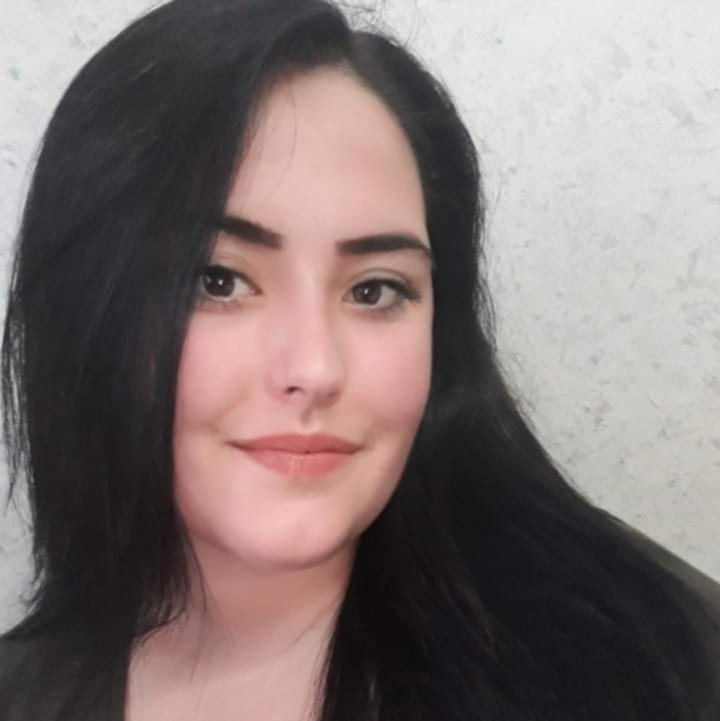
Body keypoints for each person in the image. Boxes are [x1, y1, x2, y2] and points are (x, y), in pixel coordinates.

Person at [0, 0, 718, 719]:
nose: (315, 369)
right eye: (217, 280)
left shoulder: (656, 661)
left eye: (375, 290)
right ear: (87, 307)